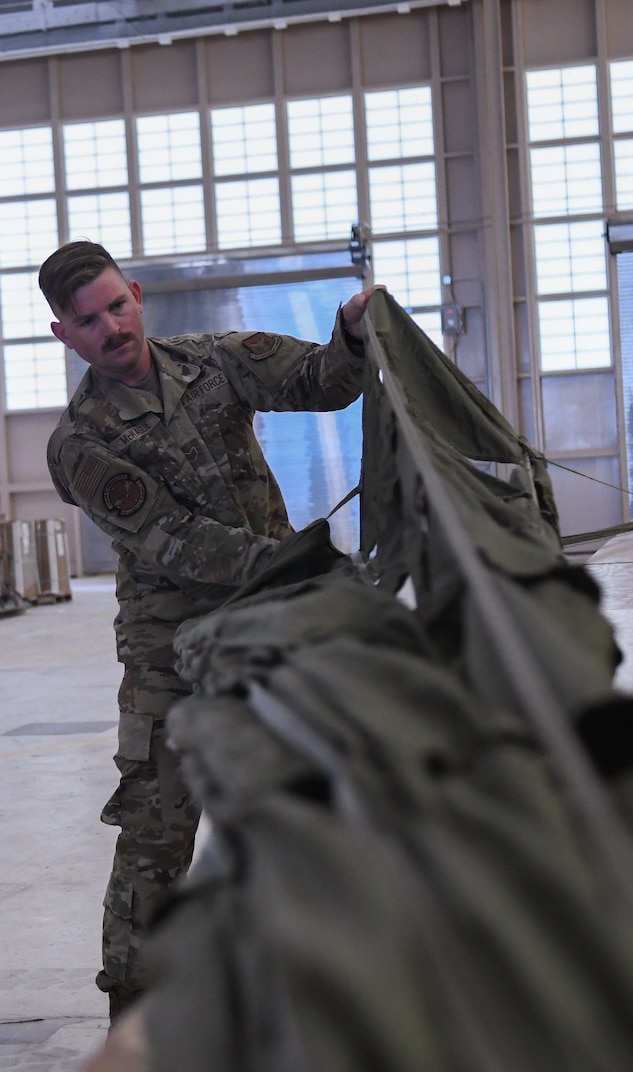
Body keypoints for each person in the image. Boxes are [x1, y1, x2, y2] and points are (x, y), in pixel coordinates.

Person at [39, 240, 383, 1020]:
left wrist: (354, 334)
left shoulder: (214, 361)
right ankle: (135, 1013)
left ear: (135, 294)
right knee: (158, 835)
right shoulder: (80, 445)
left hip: (274, 620)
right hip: (174, 651)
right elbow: (174, 541)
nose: (112, 329)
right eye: (88, 322)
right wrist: (295, 562)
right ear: (66, 336)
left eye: (117, 306)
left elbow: (319, 381)